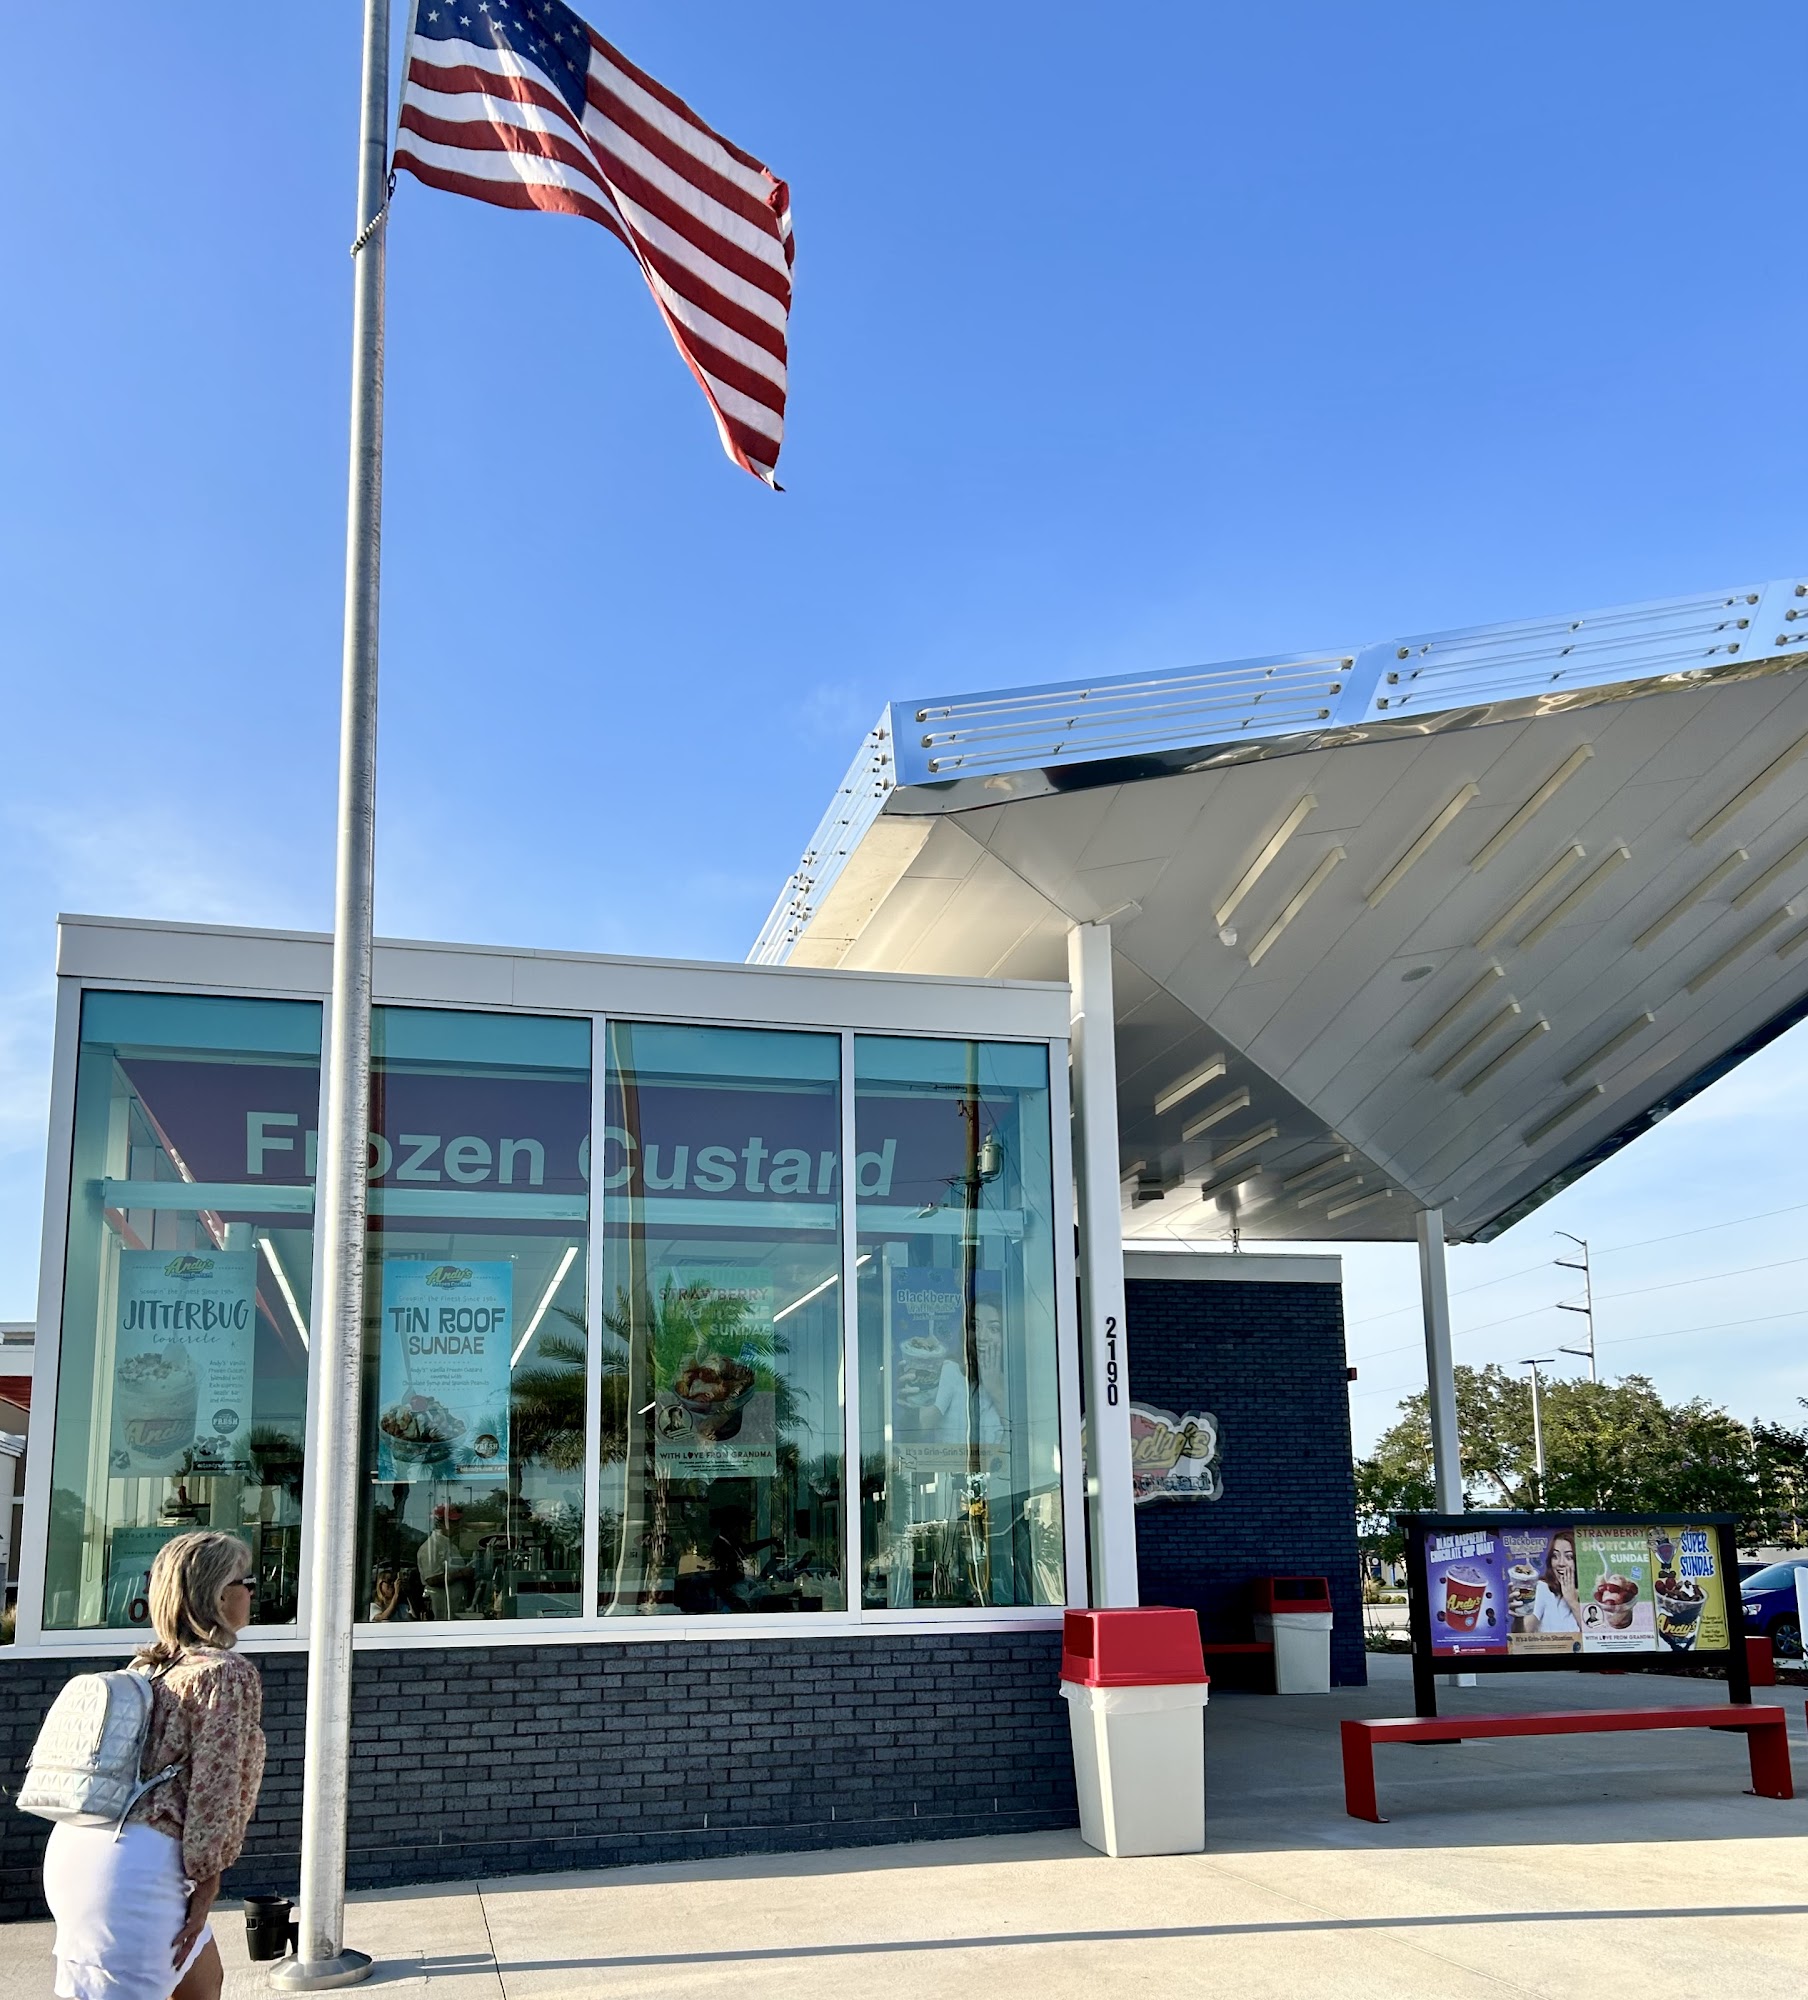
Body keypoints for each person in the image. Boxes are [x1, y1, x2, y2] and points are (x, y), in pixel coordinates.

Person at [42, 1530, 266, 2000]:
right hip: (140, 1868)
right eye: (248, 1582)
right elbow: (215, 1793)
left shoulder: (147, 1667)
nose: (251, 1593)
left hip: (79, 1847)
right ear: (221, 1596)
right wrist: (206, 1890)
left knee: (203, 1984)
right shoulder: (225, 1674)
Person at [1527, 1530, 1583, 1634]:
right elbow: (1525, 1631)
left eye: (1569, 1557)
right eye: (1555, 1556)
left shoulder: (1591, 1593)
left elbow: (1597, 1636)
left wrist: (1572, 1602)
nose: (1561, 1563)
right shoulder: (1542, 1588)